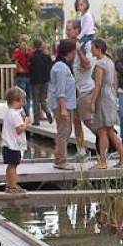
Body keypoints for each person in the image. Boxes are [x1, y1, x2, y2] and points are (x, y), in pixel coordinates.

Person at [87, 39, 123, 170]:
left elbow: (98, 84)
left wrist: (92, 102)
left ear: (99, 48)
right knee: (110, 130)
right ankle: (122, 157)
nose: (91, 50)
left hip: (103, 98)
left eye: (92, 48)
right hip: (110, 95)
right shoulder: (109, 61)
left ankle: (103, 161)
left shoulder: (100, 64)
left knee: (102, 130)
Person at [48, 39, 77, 171]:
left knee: (66, 131)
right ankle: (61, 161)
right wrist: (63, 109)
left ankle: (58, 157)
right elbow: (60, 90)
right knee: (63, 132)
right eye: (74, 51)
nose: (75, 53)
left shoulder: (64, 65)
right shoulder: (60, 67)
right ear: (69, 52)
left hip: (67, 104)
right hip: (62, 105)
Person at [65, 20, 92, 161]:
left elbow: (87, 65)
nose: (66, 32)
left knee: (88, 120)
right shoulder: (68, 47)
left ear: (77, 30)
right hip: (73, 89)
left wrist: (78, 50)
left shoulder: (85, 45)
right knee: (76, 120)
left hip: (86, 89)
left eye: (69, 29)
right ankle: (81, 150)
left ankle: (110, 142)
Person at [1, 87, 29, 193]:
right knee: (13, 165)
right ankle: (12, 186)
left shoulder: (10, 112)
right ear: (17, 100)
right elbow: (19, 130)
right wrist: (26, 123)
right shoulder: (15, 114)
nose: (24, 103)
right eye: (23, 100)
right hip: (13, 145)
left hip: (8, 144)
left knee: (11, 165)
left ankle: (10, 185)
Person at [29, 39, 54, 123]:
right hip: (45, 80)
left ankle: (36, 120)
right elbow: (51, 67)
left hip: (35, 81)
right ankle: (47, 111)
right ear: (41, 46)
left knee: (35, 100)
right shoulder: (47, 57)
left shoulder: (32, 57)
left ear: (34, 46)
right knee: (43, 99)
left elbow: (30, 68)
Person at [11, 35, 33, 116]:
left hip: (21, 76)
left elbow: (14, 60)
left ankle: (26, 114)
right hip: (29, 76)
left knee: (21, 96)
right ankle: (27, 113)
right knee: (28, 97)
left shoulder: (18, 51)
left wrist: (19, 67)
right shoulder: (30, 52)